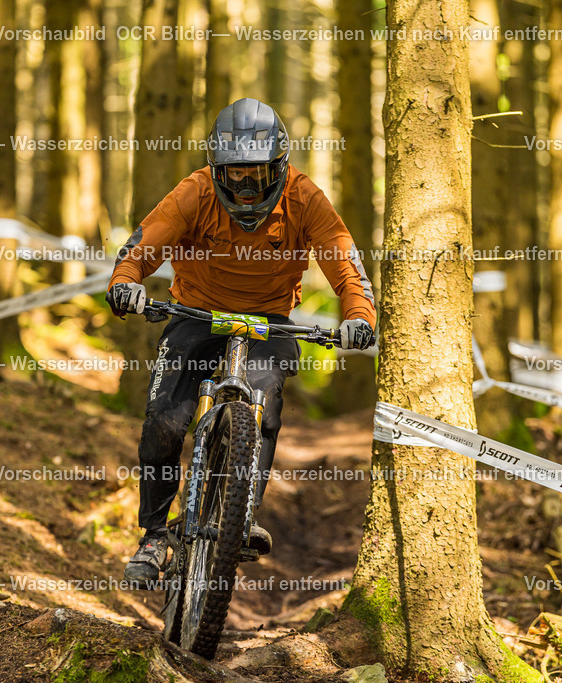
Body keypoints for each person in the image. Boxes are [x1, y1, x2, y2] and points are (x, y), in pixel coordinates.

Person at [106, 98, 376, 587]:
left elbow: (345, 263)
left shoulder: (304, 197)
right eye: (236, 175)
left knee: (264, 405)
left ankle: (240, 517)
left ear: (279, 166)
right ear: (217, 170)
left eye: (258, 174)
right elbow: (143, 245)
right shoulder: (194, 192)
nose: (247, 188)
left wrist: (359, 315)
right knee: (164, 423)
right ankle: (153, 536)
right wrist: (126, 282)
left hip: (270, 322)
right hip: (196, 313)